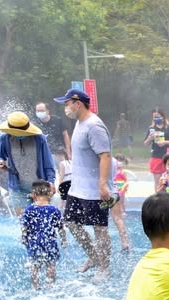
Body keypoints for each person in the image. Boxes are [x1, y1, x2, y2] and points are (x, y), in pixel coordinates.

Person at [54, 88, 113, 278]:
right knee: (71, 223)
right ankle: (94, 256)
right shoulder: (79, 123)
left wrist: (103, 185)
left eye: (67, 103)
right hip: (77, 189)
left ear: (77, 103)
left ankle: (104, 268)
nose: (66, 107)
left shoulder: (94, 126)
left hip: (94, 190)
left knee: (99, 229)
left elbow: (105, 155)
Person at [0, 111, 56, 216]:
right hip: (18, 187)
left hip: (40, 186)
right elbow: (0, 155)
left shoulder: (39, 139)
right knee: (24, 223)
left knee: (42, 220)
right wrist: (1, 161)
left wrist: (51, 181)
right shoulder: (5, 139)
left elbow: (48, 163)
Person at [20, 181, 62, 289]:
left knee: (35, 264)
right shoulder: (54, 210)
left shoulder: (28, 209)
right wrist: (64, 239)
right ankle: (50, 286)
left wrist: (24, 237)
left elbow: (24, 227)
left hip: (34, 241)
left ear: (33, 195)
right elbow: (60, 227)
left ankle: (35, 286)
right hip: (50, 241)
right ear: (49, 194)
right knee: (50, 264)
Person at [142, 108, 169, 186]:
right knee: (157, 180)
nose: (156, 119)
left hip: (168, 157)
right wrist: (150, 138)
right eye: (154, 117)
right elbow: (145, 144)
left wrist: (165, 142)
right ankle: (158, 197)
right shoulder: (151, 128)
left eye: (158, 116)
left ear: (163, 117)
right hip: (156, 156)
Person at [111, 154, 130, 251]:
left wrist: (123, 188)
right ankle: (125, 241)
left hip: (114, 189)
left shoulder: (114, 166)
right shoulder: (113, 164)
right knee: (117, 218)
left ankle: (124, 241)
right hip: (114, 189)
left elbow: (125, 181)